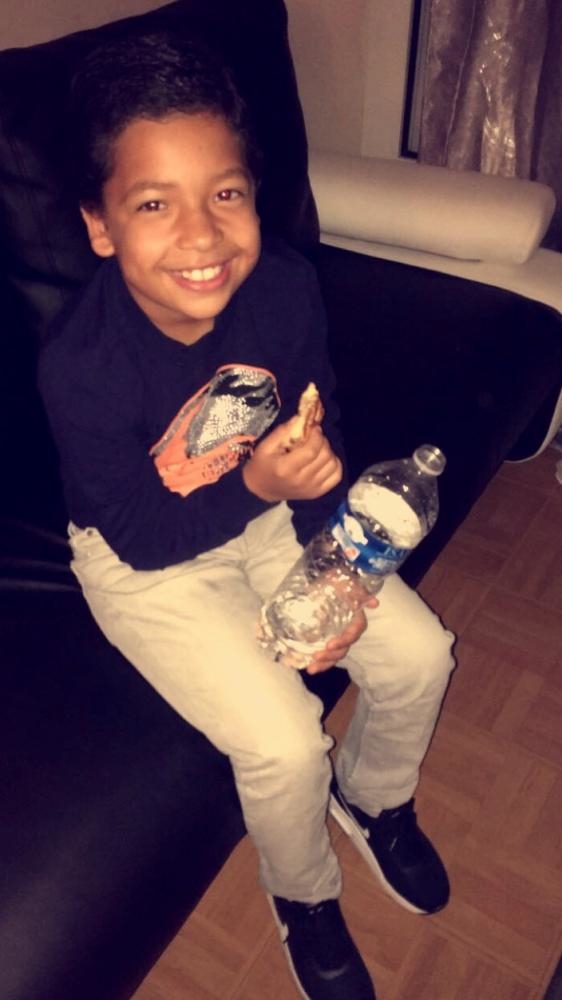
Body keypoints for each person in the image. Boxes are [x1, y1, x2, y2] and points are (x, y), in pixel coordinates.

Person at [38, 31, 455, 1000]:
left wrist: (335, 569)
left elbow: (316, 429)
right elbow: (143, 535)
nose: (201, 235)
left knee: (419, 656)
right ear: (100, 226)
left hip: (267, 511)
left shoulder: (286, 289)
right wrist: (262, 487)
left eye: (224, 193)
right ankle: (301, 895)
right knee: (283, 742)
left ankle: (374, 797)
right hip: (143, 565)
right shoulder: (80, 366)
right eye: (154, 203)